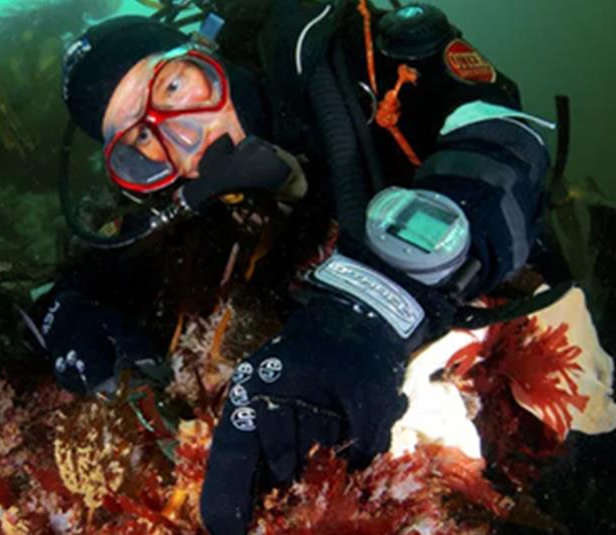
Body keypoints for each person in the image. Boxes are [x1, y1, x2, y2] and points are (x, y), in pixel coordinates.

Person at [40, 1, 554, 533]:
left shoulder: (347, 60)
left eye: (172, 87)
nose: (184, 138)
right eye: (141, 138)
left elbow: (506, 136)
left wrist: (376, 305)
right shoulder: (194, 203)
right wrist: (64, 311)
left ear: (206, 53)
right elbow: (83, 274)